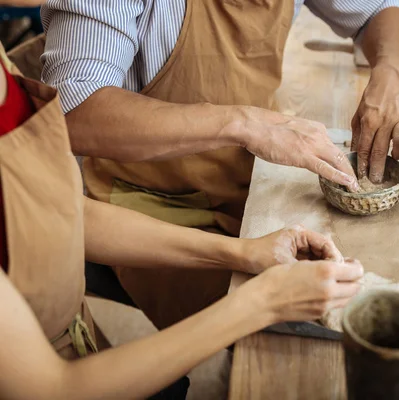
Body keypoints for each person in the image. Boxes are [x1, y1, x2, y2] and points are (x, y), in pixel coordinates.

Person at [0, 2, 364, 398]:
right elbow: (53, 387)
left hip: (74, 329)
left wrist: (242, 253)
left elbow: (64, 213)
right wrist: (262, 303)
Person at [34, 0, 399, 330]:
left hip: (249, 172)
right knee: (302, 321)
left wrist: (393, 72)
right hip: (150, 199)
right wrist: (242, 123)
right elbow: (73, 111)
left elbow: (379, 12)